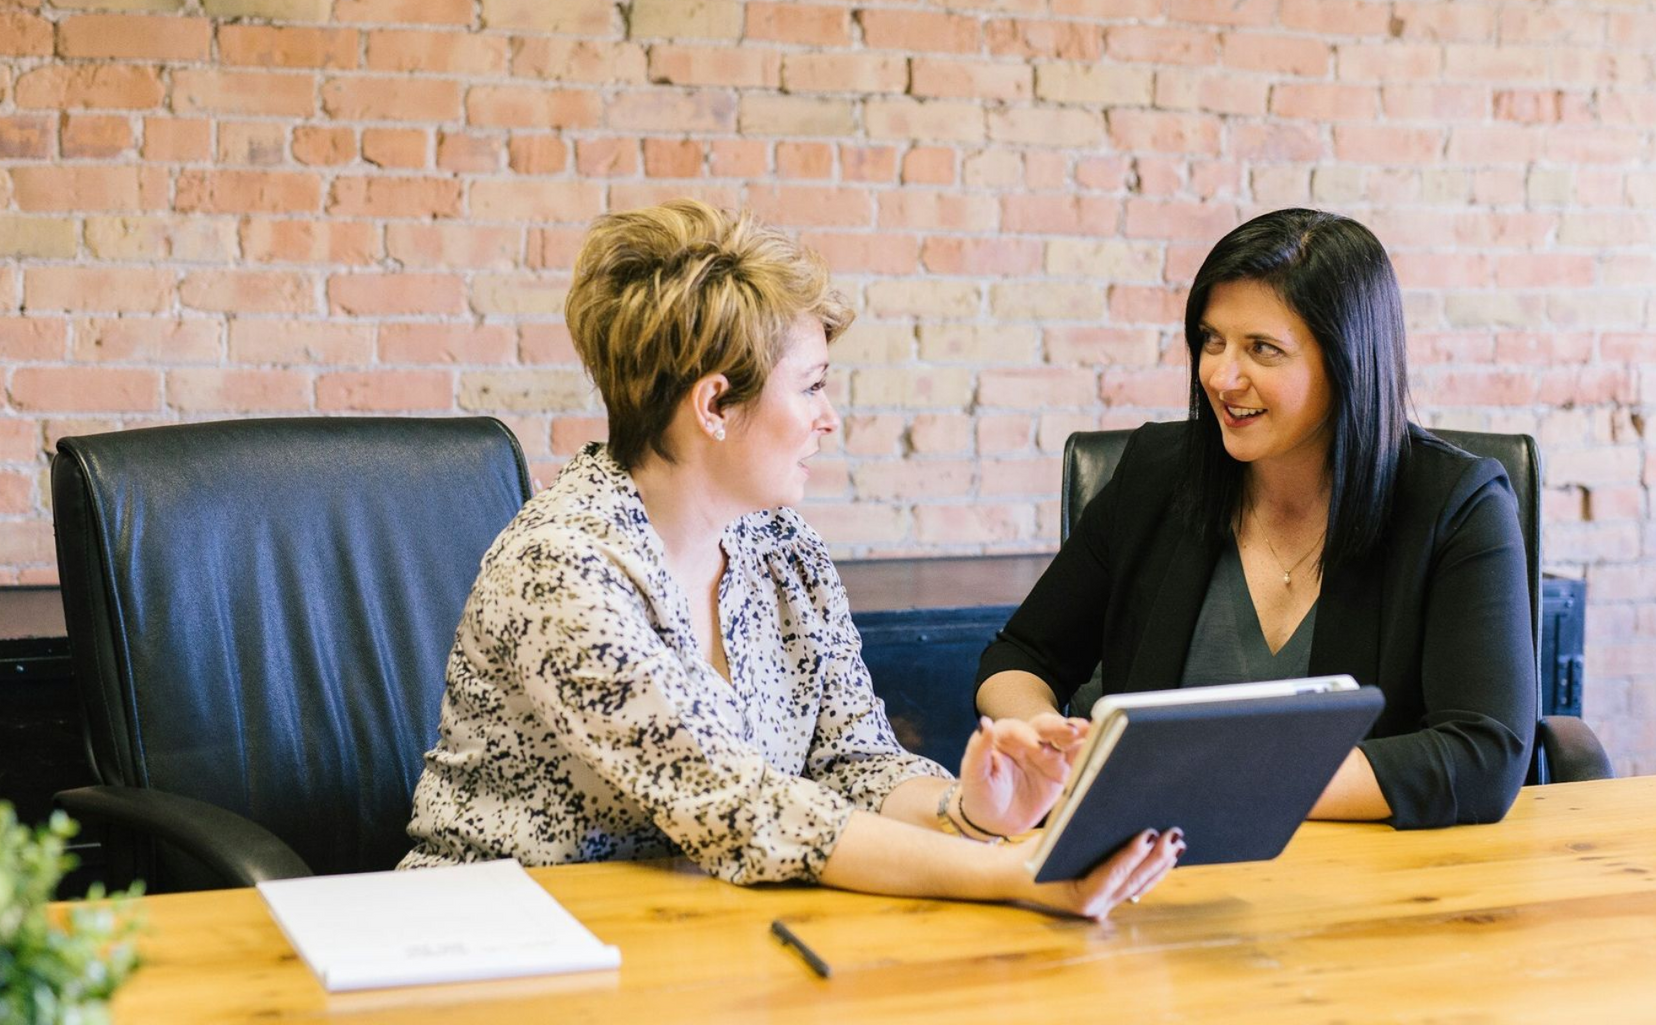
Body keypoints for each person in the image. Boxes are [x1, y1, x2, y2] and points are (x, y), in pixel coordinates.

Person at [401, 199, 1178, 918]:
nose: (829, 419)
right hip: (498, 937)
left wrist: (970, 811)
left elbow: (854, 761)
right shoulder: (563, 568)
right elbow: (742, 808)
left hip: (699, 928)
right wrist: (1014, 873)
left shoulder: (780, 547)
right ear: (714, 406)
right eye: (810, 387)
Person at [975, 208, 1537, 829]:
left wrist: (1210, 783)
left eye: (1262, 349)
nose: (1221, 375)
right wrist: (1042, 738)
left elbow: (1483, 754)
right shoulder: (1158, 474)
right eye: (1212, 341)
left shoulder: (1457, 504)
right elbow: (1020, 656)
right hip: (1150, 867)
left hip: (1365, 879)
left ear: (1347, 360)